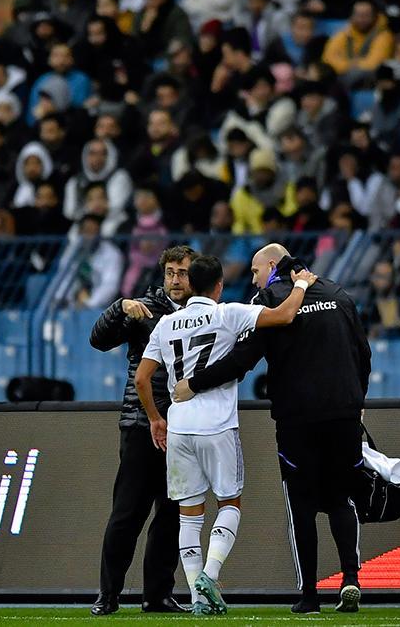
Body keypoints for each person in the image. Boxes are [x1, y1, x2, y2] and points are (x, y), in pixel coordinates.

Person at [174, 244, 370, 615]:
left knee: (302, 506)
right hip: (343, 413)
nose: (252, 278)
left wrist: (194, 383)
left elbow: (241, 360)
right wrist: (357, 401)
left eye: (255, 270)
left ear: (272, 267)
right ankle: (350, 580)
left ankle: (310, 594)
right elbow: (363, 353)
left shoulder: (270, 300)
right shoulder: (336, 292)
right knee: (343, 497)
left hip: (298, 418)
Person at [137, 253, 318, 615]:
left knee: (189, 513)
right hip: (217, 424)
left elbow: (142, 378)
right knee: (230, 503)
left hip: (179, 425)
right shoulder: (226, 313)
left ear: (189, 285)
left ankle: (196, 598)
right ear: (218, 285)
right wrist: (301, 284)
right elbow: (283, 315)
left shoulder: (166, 324)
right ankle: (210, 573)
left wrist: (156, 418)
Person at [88, 245, 198, 616]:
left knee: (170, 516)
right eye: (170, 272)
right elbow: (98, 340)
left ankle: (157, 595)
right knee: (127, 514)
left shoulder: (205, 313)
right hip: (141, 423)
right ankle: (108, 594)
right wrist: (119, 306)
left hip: (184, 429)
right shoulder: (144, 308)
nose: (175, 279)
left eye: (182, 273)